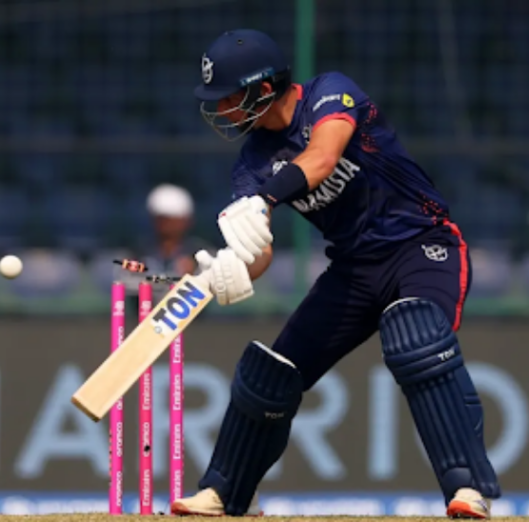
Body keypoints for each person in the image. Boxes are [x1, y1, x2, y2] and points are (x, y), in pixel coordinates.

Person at [180, 29, 501, 519]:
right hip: (354, 268)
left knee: (417, 339)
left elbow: (322, 157)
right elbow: (259, 250)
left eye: (227, 97)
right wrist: (233, 266)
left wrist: (265, 198)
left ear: (262, 89)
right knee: (272, 374)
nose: (221, 110)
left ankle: (467, 488)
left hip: (422, 245)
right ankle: (226, 492)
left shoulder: (330, 93)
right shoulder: (252, 161)